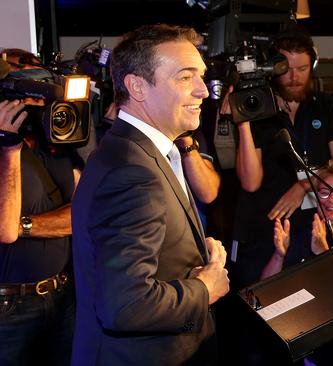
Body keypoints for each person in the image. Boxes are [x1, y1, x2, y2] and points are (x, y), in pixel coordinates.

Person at [71, 24, 230, 365]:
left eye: (200, 76)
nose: (203, 90)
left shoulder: (140, 152)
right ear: (137, 86)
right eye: (185, 77)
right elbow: (126, 305)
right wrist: (205, 287)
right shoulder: (132, 171)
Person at [232, 27, 333, 289]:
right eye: (286, 70)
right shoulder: (257, 108)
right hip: (264, 229)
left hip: (314, 227)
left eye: (302, 69)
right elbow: (251, 182)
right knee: (263, 305)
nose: (294, 78)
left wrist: (304, 186)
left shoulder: (324, 105)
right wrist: (242, 120)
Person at [0, 93, 80, 365]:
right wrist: (9, 147)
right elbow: (4, 230)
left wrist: (25, 225)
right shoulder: (6, 151)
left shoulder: (58, 143)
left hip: (62, 296)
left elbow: (86, 212)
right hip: (9, 308)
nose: (37, 108)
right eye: (28, 100)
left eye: (42, 100)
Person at [260, 162, 333, 278]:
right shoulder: (303, 232)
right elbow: (263, 289)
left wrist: (323, 253)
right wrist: (279, 256)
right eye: (324, 193)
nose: (331, 200)